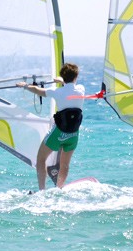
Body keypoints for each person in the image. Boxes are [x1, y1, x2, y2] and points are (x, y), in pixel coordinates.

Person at [21, 62, 86, 190]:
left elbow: (38, 91)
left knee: (41, 159)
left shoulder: (57, 91)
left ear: (63, 76)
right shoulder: (81, 90)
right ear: (76, 76)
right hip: (73, 135)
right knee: (65, 164)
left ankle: (42, 191)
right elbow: (71, 87)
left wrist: (26, 86)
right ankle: (59, 189)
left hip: (58, 134)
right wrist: (63, 81)